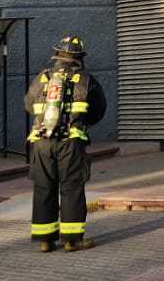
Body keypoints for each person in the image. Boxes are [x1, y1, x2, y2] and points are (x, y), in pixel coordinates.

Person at [24, 34, 106, 252]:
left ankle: (45, 240)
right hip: (71, 141)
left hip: (41, 142)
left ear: (57, 54)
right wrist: (81, 122)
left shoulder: (42, 78)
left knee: (44, 187)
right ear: (79, 57)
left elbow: (29, 105)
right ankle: (72, 240)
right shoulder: (86, 79)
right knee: (71, 187)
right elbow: (98, 110)